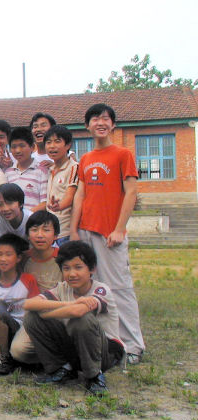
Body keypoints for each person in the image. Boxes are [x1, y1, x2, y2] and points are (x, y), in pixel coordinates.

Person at [70, 103, 145, 365]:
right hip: (86, 231)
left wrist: (120, 229)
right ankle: (109, 342)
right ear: (87, 126)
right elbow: (80, 195)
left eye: (105, 119)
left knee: (119, 288)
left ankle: (134, 345)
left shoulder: (123, 154)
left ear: (112, 125)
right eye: (95, 119)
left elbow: (131, 193)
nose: (100, 122)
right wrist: (73, 231)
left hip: (109, 233)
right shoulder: (86, 160)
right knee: (94, 288)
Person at [23, 240, 125, 395]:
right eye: (66, 268)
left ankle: (94, 376)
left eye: (78, 267)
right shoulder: (62, 288)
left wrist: (47, 313)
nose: (72, 274)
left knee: (81, 319)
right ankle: (61, 369)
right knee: (32, 318)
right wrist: (67, 304)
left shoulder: (101, 290)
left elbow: (78, 311)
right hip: (77, 348)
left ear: (91, 269)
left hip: (105, 352)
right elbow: (28, 304)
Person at [0, 233, 39, 375]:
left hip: (25, 328)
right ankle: (5, 359)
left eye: (8, 254)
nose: (3, 259)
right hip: (2, 330)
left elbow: (36, 308)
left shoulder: (27, 280)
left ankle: (16, 357)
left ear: (18, 258)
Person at [10, 210, 63, 365]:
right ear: (27, 235)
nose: (40, 235)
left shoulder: (63, 259)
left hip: (59, 314)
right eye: (34, 230)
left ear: (55, 235)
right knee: (18, 351)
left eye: (46, 230)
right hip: (30, 316)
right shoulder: (23, 259)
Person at [45, 125, 79, 246]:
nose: (52, 146)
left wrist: (59, 206)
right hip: (50, 232)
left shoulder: (74, 167)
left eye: (57, 141)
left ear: (68, 145)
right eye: (48, 142)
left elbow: (70, 197)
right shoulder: (51, 169)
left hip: (65, 233)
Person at [4, 127, 48, 212]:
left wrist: (24, 217)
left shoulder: (42, 171)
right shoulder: (8, 173)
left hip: (34, 222)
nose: (17, 151)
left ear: (32, 147)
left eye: (22, 146)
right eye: (13, 147)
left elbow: (44, 203)